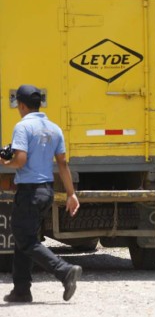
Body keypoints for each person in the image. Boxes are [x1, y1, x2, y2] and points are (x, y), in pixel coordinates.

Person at [1, 85, 82, 303]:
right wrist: (71, 194)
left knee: (26, 241)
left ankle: (65, 271)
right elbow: (63, 163)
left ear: (22, 105)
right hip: (46, 191)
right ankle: (21, 290)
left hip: (29, 192)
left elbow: (20, 160)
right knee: (23, 238)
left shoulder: (23, 127)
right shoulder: (54, 128)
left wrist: (4, 161)